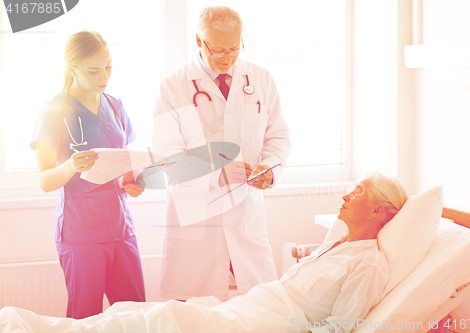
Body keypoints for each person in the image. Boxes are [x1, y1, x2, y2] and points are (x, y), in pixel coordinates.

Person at [0, 172, 408, 333]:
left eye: (356, 192)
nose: (345, 193)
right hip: (255, 305)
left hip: (271, 322)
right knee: (132, 313)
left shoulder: (368, 263)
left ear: (379, 210)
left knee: (165, 317)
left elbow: (343, 326)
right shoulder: (337, 244)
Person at [153, 6, 291, 301]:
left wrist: (269, 170)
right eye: (219, 51)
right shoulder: (172, 88)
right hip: (196, 218)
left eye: (234, 48)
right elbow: (168, 156)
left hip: (245, 212)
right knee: (192, 312)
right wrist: (218, 175)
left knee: (259, 307)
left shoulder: (260, 79)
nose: (228, 58)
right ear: (199, 42)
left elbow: (277, 136)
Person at [29, 30, 146, 319]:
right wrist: (71, 165)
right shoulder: (54, 110)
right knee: (85, 318)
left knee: (136, 315)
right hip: (81, 233)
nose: (104, 75)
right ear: (72, 69)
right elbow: (45, 181)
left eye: (108, 66)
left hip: (120, 228)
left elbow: (126, 165)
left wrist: (135, 181)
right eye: (93, 70)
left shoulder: (116, 106)